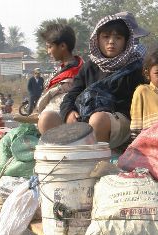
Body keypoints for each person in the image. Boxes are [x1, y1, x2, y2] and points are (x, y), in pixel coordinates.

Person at [54, 12, 146, 148]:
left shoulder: (134, 67)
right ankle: (62, 164)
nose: (111, 42)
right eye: (106, 37)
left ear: (126, 41)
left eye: (118, 38)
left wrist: (102, 111)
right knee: (47, 118)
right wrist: (68, 112)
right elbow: (72, 94)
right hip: (84, 117)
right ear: (97, 39)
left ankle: (99, 164)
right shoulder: (89, 67)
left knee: (98, 119)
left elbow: (135, 105)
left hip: (118, 121)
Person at [35, 23, 84, 134]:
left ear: (62, 46)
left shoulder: (76, 74)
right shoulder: (63, 70)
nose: (48, 52)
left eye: (50, 47)